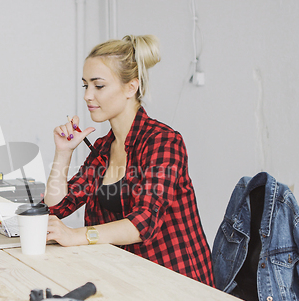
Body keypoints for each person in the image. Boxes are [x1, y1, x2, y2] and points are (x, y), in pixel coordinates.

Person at [44, 34, 214, 286]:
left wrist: (75, 235)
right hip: (125, 276)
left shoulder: (164, 142)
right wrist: (63, 153)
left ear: (131, 87)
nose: (88, 96)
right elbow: (57, 206)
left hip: (177, 283)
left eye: (98, 86)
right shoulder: (103, 148)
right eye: (85, 85)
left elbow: (143, 223)